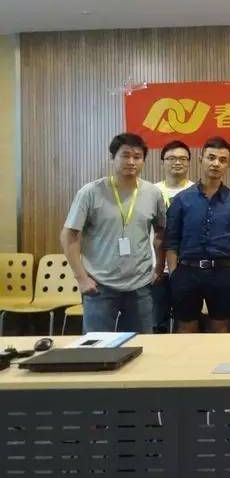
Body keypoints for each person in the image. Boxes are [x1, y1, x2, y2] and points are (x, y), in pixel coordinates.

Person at [61, 133, 166, 333]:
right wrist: (81, 278)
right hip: (99, 286)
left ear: (143, 161)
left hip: (140, 286)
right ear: (112, 157)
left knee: (142, 344)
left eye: (137, 157)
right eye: (125, 155)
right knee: (98, 347)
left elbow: (161, 232)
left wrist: (159, 267)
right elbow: (69, 235)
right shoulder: (90, 192)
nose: (131, 161)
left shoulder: (153, 194)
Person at [166, 137, 230, 334]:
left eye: (222, 160)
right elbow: (172, 241)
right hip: (187, 271)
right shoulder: (182, 199)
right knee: (186, 327)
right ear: (201, 159)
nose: (216, 163)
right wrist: (175, 274)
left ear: (227, 164)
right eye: (211, 157)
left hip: (222, 272)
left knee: (221, 328)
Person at [152, 140, 194, 334]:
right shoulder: (150, 192)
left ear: (189, 163)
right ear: (162, 162)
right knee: (156, 323)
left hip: (187, 269)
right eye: (171, 158)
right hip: (155, 269)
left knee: (185, 322)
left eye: (183, 159)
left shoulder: (197, 191)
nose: (177, 162)